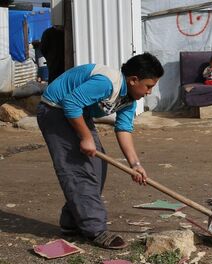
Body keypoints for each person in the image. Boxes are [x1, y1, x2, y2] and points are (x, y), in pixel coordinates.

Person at [36, 53, 164, 249]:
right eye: (148, 86)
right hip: (55, 110)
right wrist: (86, 138)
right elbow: (70, 102)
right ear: (133, 80)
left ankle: (72, 222)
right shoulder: (106, 83)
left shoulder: (129, 99)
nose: (149, 92)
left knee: (97, 167)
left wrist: (135, 165)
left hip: (77, 114)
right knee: (79, 171)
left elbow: (123, 129)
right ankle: (95, 229)